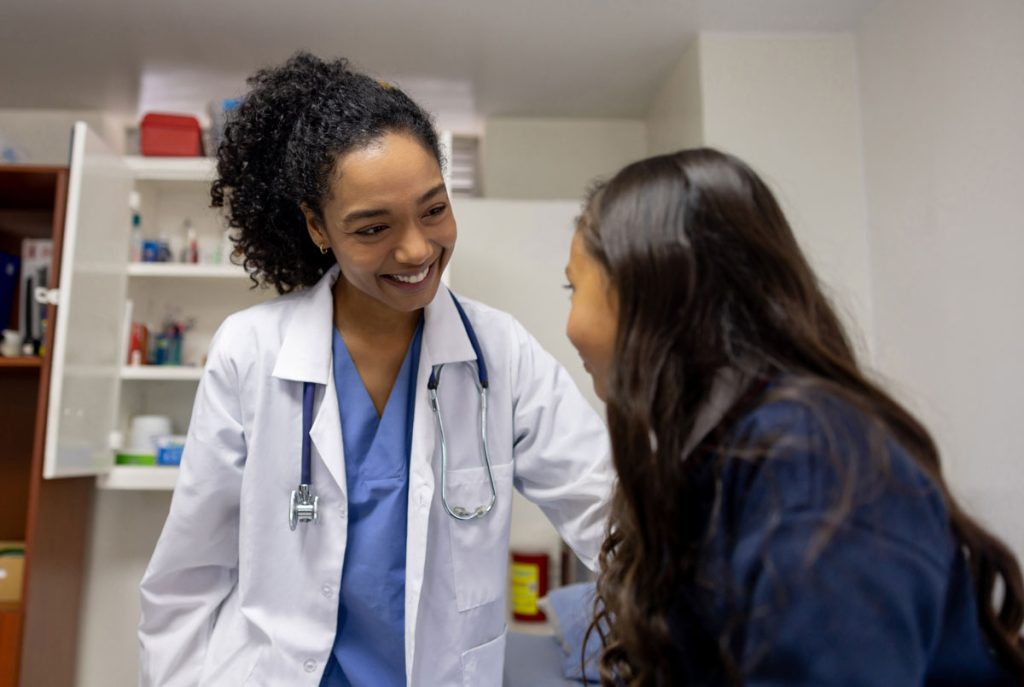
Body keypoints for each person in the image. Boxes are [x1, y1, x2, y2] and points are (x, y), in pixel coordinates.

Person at [138, 52, 611, 687]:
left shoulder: (501, 353)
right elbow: (188, 580)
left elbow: (609, 512)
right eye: (373, 227)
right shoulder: (249, 352)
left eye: (434, 209)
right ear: (318, 227)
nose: (416, 248)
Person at [563, 148, 1024, 685]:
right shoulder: (724, 454)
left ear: (650, 291)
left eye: (574, 288)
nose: (569, 324)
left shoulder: (816, 465)